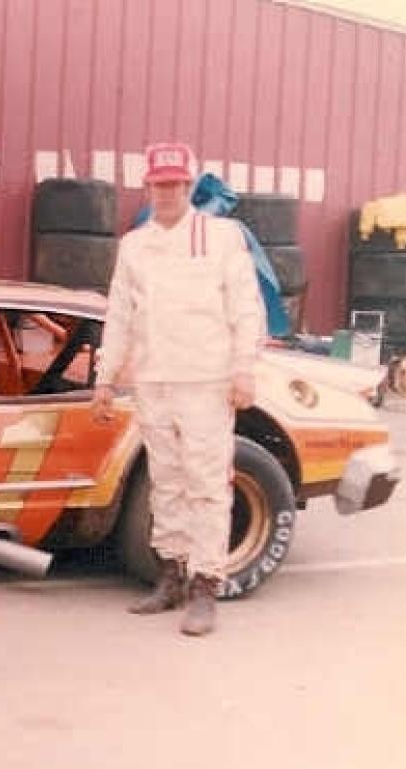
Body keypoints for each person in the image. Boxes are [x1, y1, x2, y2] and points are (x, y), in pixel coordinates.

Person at [91, 142, 263, 637]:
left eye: (175, 184)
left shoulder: (222, 237)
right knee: (165, 481)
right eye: (158, 185)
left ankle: (205, 586)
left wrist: (244, 370)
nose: (166, 193)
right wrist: (105, 378)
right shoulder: (134, 246)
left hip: (207, 380)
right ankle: (170, 575)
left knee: (206, 483)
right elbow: (119, 315)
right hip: (153, 379)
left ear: (188, 186)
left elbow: (245, 307)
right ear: (147, 187)